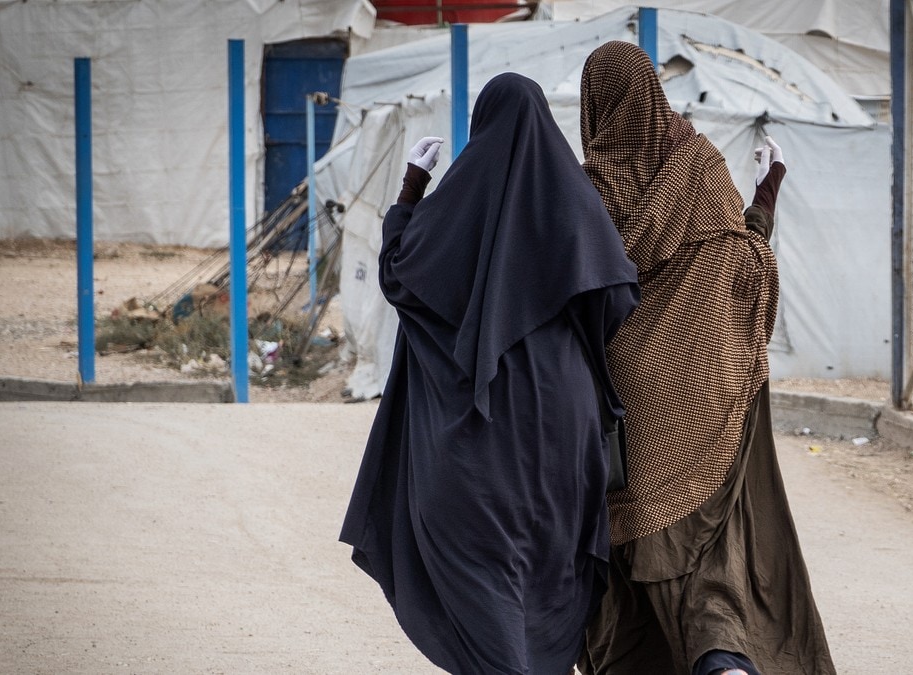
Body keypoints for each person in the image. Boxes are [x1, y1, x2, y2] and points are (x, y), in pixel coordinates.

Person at [338, 72, 640, 674]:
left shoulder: (458, 199)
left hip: (478, 431)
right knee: (549, 562)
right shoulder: (575, 199)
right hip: (561, 420)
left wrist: (411, 188)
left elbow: (399, 276)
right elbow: (615, 303)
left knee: (481, 565)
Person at [576, 41, 836, 675]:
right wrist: (765, 198)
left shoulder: (586, 192)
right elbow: (744, 264)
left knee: (635, 535)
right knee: (712, 541)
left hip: (627, 392)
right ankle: (722, 658)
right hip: (711, 384)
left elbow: (569, 298)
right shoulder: (699, 164)